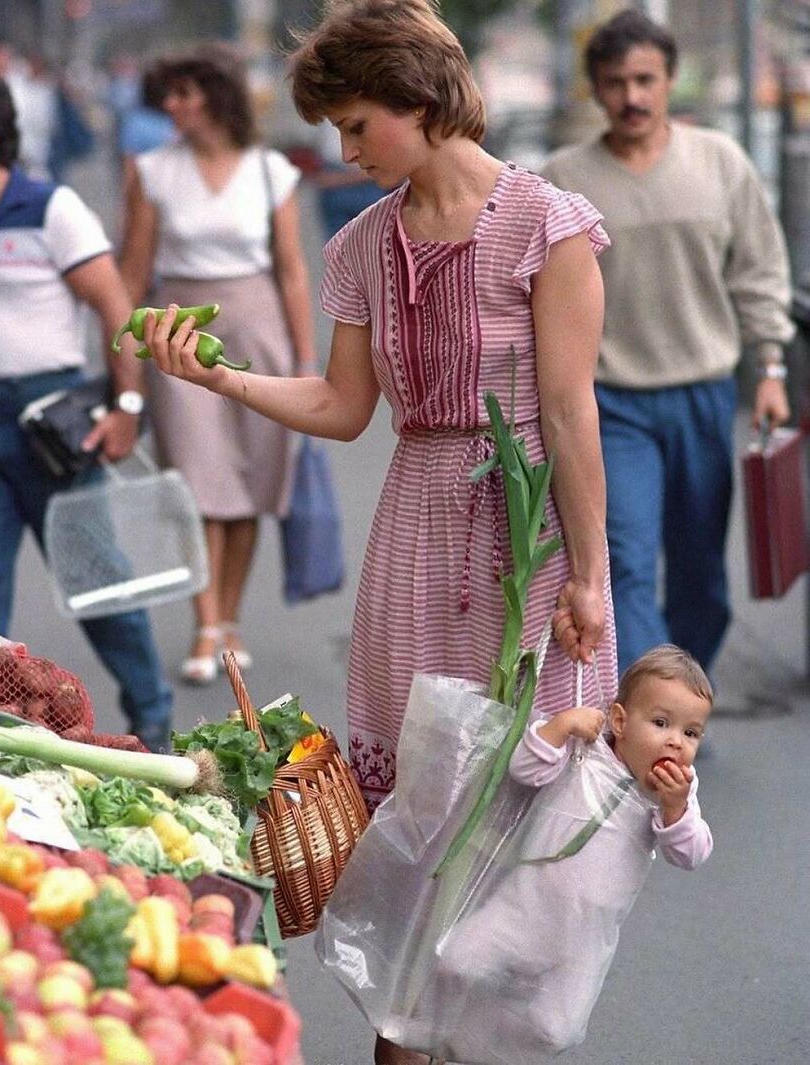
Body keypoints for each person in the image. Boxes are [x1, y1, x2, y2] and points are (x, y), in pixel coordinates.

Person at [142, 3, 617, 1057]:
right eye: (337, 131)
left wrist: (588, 573)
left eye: (357, 126)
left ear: (419, 99)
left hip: (527, 536)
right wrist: (216, 373)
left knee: (518, 800)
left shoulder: (550, 225)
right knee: (416, 809)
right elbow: (341, 407)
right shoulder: (361, 244)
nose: (344, 151)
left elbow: (569, 412)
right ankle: (407, 1029)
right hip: (415, 527)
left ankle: (472, 1028)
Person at [541, 9, 795, 678]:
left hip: (704, 394)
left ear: (670, 81)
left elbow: (761, 270)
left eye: (646, 79)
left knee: (701, 572)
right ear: (595, 89)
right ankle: (648, 713)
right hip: (610, 403)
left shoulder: (721, 161)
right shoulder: (563, 177)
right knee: (624, 560)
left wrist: (770, 367)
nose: (632, 96)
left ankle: (683, 696)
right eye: (616, 81)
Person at [0, 62, 173, 752]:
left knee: (99, 586)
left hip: (51, 427)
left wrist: (127, 404)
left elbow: (115, 308)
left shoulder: (50, 208)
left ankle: (152, 719)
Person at [119, 42, 318, 683]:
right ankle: (206, 626)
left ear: (215, 95)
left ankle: (228, 618)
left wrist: (305, 360)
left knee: (251, 484)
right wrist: (122, 356)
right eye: (168, 94)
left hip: (258, 324)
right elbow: (134, 271)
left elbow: (291, 272)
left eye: (184, 93)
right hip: (180, 331)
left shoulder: (270, 171)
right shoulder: (151, 170)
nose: (171, 106)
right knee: (199, 484)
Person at [435, 644, 713, 1058]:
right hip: (522, 908)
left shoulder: (674, 796)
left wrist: (674, 809)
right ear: (619, 720)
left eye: (690, 733)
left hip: (581, 943)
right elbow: (524, 770)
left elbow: (692, 854)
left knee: (556, 1030)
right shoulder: (586, 751)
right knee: (455, 962)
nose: (675, 742)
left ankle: (481, 1047)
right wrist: (559, 728)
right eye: (660, 723)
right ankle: (456, 1040)